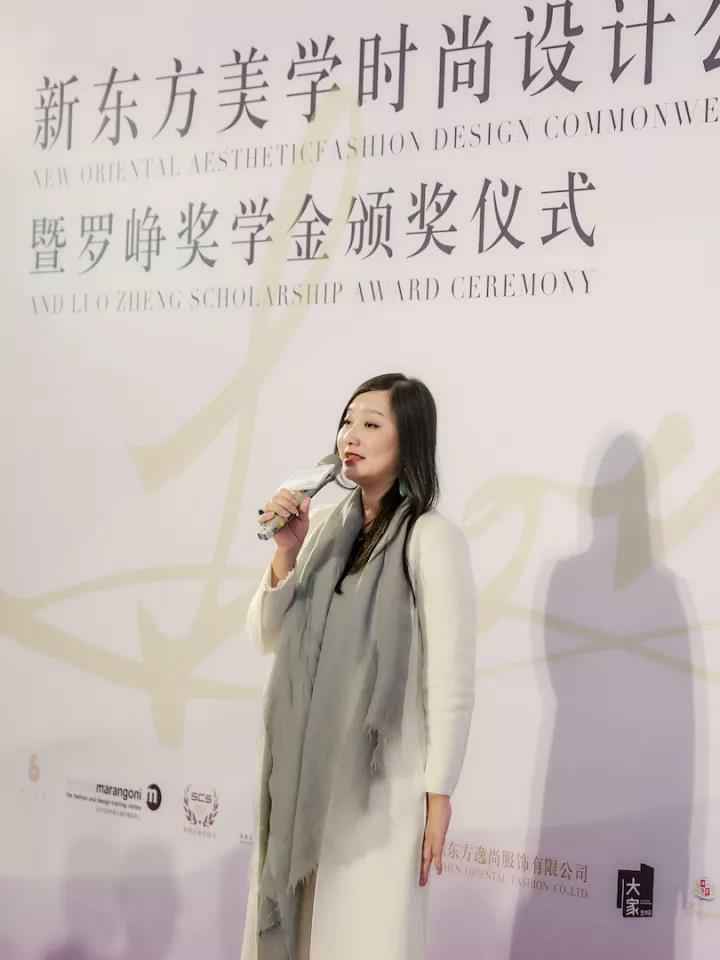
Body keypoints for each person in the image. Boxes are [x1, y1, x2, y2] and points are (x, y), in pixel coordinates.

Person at [240, 373, 476, 960]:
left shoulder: (430, 538)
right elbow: (266, 634)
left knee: (362, 938)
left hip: (379, 789)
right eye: (348, 421)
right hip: (303, 780)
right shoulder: (322, 529)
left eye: (372, 424)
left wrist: (439, 794)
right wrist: (286, 551)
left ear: (409, 439)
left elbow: (450, 679)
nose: (352, 435)